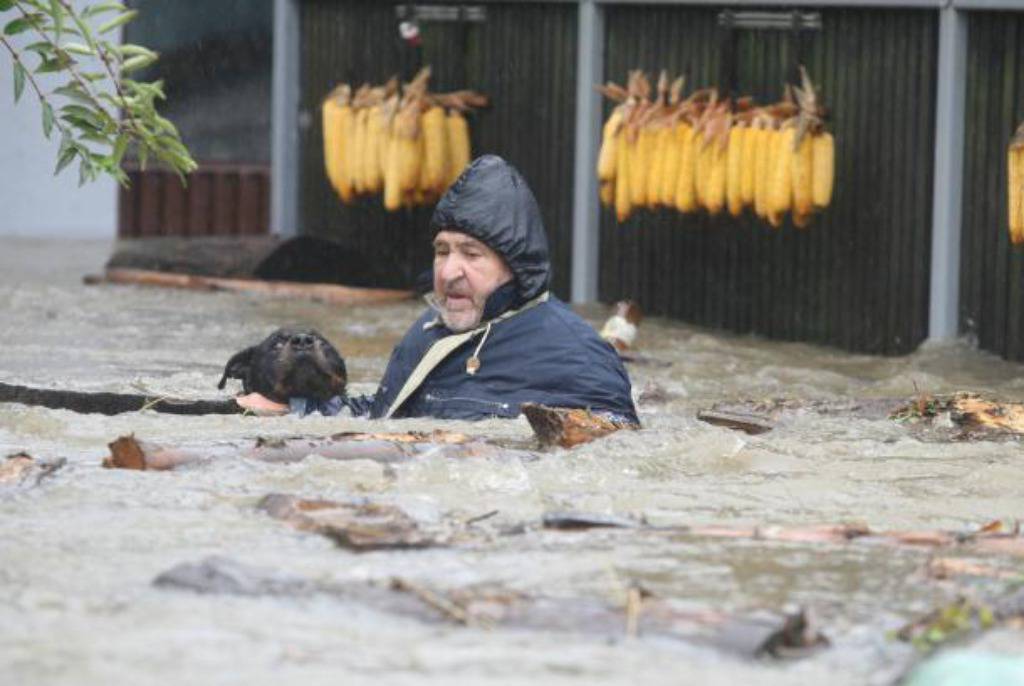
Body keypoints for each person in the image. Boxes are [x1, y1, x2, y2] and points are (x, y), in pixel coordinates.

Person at [241, 155, 638, 424]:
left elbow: (616, 449)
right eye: (441, 251)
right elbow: (384, 415)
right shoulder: (429, 333)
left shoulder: (577, 356)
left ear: (515, 267)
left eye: (471, 254)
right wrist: (293, 409)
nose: (449, 272)